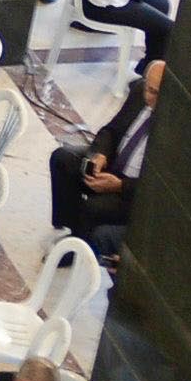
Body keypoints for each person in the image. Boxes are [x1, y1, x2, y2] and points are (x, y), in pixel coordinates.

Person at [49, 60, 160, 256]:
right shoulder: (139, 93)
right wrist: (100, 154)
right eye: (148, 89)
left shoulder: (175, 129)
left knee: (94, 207)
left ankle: (78, 250)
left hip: (132, 189)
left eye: (155, 92)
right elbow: (111, 130)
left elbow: (159, 186)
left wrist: (119, 185)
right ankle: (71, 227)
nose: (149, 97)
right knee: (63, 159)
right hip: (114, 163)